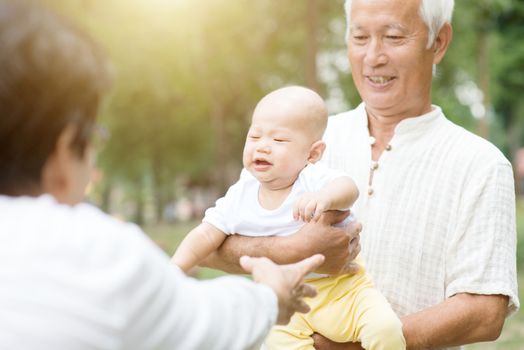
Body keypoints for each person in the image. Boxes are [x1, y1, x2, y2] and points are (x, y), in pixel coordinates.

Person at [0, 1, 327, 349]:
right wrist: (271, 296)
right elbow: (206, 321)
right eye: (94, 136)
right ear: (64, 152)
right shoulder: (97, 257)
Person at [201, 0, 520, 349]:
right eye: (360, 37)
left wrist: (363, 346)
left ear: (439, 42)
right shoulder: (303, 144)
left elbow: (486, 310)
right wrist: (291, 248)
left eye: (393, 37)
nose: (373, 57)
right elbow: (212, 246)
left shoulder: (481, 164)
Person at [172, 86, 405, 349]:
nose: (263, 147)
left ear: (312, 153)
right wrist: (173, 271)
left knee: (385, 330)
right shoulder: (240, 194)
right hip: (285, 303)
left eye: (279, 140)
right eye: (255, 136)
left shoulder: (311, 178)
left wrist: (325, 197)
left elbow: (349, 188)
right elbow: (205, 234)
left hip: (343, 292)